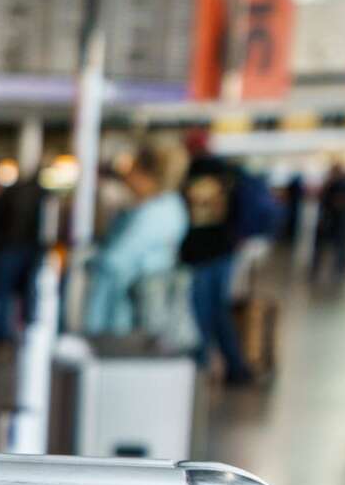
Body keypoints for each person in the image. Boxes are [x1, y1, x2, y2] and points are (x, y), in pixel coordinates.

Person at [85, 145, 189, 337]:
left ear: (146, 175)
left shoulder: (158, 211)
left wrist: (88, 259)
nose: (127, 177)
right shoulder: (159, 206)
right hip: (129, 308)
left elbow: (117, 258)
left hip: (129, 313)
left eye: (132, 169)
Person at [180, 142, 259, 385]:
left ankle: (201, 369)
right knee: (219, 311)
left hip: (198, 254)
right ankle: (235, 367)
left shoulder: (187, 175)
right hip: (223, 251)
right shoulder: (228, 175)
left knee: (201, 312)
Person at [0, 163, 46, 347]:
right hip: (31, 249)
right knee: (31, 295)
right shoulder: (43, 196)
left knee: (3, 296)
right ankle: (30, 336)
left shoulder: (10, 192)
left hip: (7, 247)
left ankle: (2, 339)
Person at [314, 164, 345, 282]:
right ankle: (319, 268)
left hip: (341, 222)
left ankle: (339, 270)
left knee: (341, 248)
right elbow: (323, 200)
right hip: (331, 221)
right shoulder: (332, 184)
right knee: (325, 247)